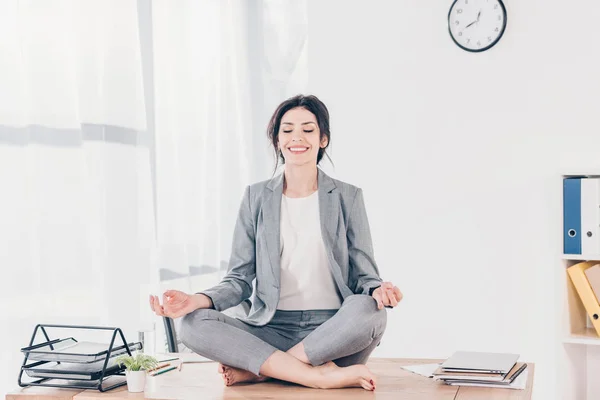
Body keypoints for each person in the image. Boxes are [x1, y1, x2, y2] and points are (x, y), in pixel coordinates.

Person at [149, 94, 403, 392]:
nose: (298, 137)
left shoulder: (348, 196)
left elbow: (366, 277)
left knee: (369, 310)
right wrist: (196, 300)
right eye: (287, 130)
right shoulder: (256, 197)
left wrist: (379, 291)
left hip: (333, 334)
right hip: (270, 328)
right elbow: (239, 280)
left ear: (323, 139)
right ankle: (313, 375)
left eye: (308, 130)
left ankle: (265, 371)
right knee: (192, 323)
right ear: (277, 140)